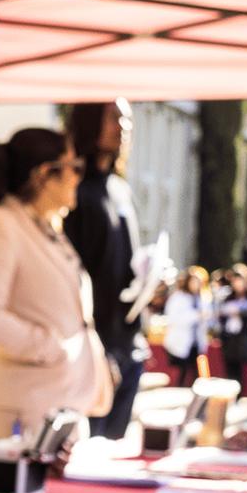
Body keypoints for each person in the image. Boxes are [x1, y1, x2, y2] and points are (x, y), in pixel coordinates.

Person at [0, 128, 112, 441]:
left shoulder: (43, 227)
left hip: (61, 405)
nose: (78, 178)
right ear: (44, 174)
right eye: (74, 168)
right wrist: (51, 348)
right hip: (19, 411)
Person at [64, 100, 147, 438]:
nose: (123, 126)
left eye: (127, 118)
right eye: (114, 117)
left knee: (114, 449)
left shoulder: (120, 188)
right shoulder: (75, 191)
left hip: (130, 342)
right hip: (94, 347)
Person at [162, 267, 210, 387]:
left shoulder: (202, 298)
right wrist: (196, 315)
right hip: (179, 341)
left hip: (196, 342)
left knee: (196, 373)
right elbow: (173, 319)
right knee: (181, 373)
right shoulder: (178, 298)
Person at [212, 264, 247, 387]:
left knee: (240, 367)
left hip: (243, 337)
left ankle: (241, 391)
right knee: (229, 366)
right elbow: (219, 315)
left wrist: (241, 313)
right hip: (228, 337)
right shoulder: (227, 297)